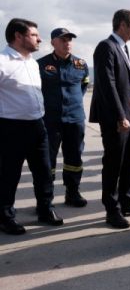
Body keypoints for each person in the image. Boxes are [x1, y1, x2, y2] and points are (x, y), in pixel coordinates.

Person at [0, 18, 63, 235]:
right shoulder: (2, 61)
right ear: (18, 36)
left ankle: (45, 209)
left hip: (38, 125)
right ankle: (5, 216)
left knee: (44, 171)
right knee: (9, 175)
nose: (40, 39)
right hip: (10, 127)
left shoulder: (33, 63)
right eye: (34, 35)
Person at [90, 9, 130, 229]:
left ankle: (127, 201)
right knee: (114, 162)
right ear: (122, 25)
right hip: (118, 117)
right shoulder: (106, 47)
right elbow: (107, 84)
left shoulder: (123, 49)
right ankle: (112, 209)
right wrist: (120, 115)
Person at [38, 28, 89, 207]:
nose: (67, 42)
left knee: (74, 158)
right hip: (50, 120)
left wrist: (72, 103)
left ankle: (73, 192)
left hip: (74, 119)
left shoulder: (80, 64)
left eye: (69, 39)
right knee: (47, 160)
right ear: (53, 42)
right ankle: (46, 198)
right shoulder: (41, 64)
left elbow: (84, 85)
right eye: (62, 39)